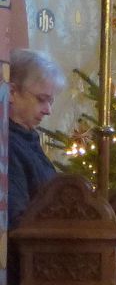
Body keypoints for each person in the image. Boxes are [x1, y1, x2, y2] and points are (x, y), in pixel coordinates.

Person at [8, 49, 63, 227]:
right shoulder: (6, 145)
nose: (48, 110)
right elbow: (17, 221)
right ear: (12, 92)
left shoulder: (27, 139)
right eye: (41, 99)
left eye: (50, 101)